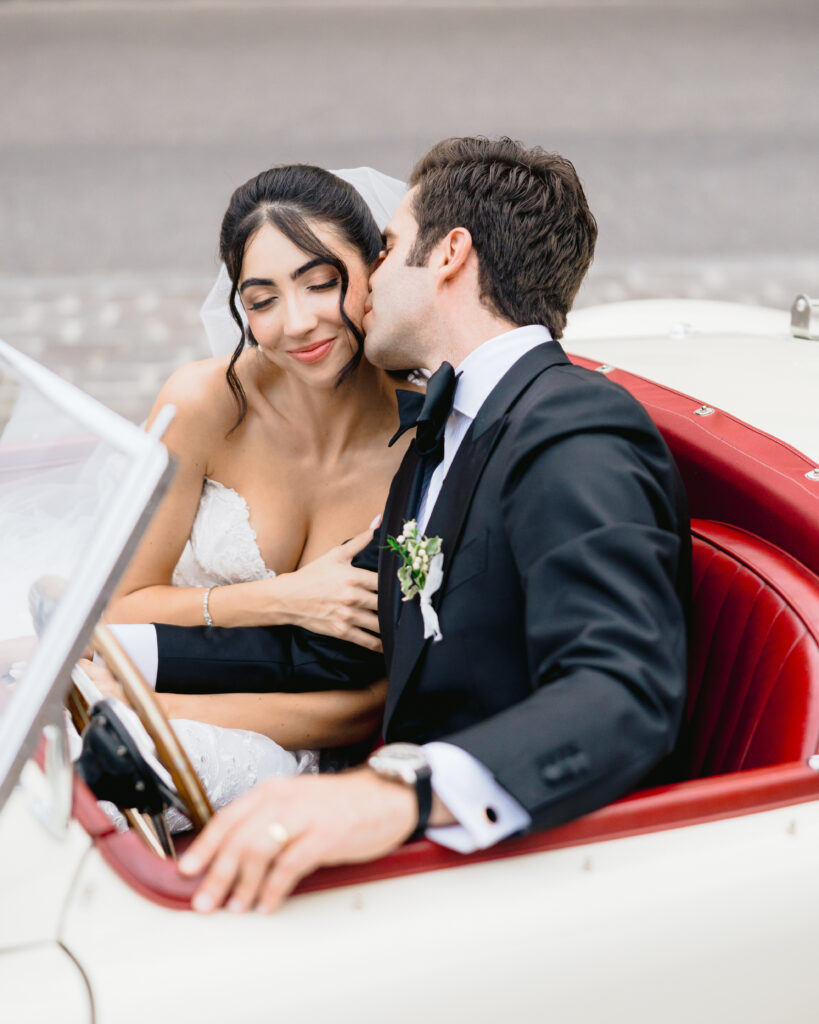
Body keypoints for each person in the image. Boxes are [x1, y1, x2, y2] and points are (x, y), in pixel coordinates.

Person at [135, 136, 690, 913]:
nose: (367, 285)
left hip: (518, 873)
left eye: (387, 248)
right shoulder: (441, 428)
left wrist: (397, 794)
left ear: (449, 255)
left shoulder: (574, 427)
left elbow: (622, 688)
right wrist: (119, 669)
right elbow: (331, 652)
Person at [84, 165, 421, 816]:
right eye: (262, 300)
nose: (297, 323)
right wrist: (285, 598)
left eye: (321, 283)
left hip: (287, 747)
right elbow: (120, 606)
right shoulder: (207, 403)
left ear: (376, 270)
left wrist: (146, 712)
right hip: (144, 667)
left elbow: (366, 706)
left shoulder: (428, 439)